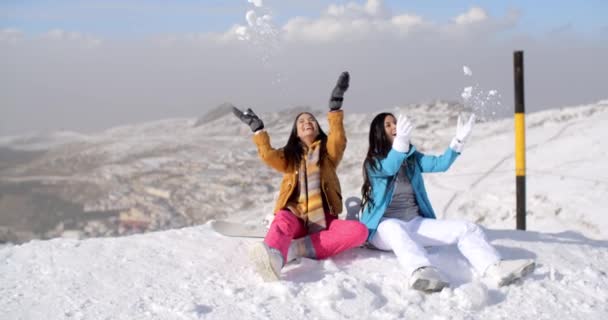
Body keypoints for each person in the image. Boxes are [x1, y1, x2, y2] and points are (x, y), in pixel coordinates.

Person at [359, 112, 535, 292]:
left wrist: (458, 141)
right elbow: (390, 167)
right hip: (383, 229)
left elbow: (440, 164)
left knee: (467, 228)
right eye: (388, 125)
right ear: (379, 132)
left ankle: (494, 267)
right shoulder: (373, 163)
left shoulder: (411, 158)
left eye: (395, 122)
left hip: (414, 223)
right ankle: (421, 271)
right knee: (395, 229)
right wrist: (401, 142)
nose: (394, 126)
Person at [232, 72, 368, 281]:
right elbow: (268, 155)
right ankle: (275, 258)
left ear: (318, 127)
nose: (307, 122)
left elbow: (338, 139)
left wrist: (335, 107)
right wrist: (258, 130)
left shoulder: (328, 154)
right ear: (295, 132)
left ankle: (293, 249)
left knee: (358, 232)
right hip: (295, 216)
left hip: (324, 220)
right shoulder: (289, 158)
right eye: (302, 121)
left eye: (311, 119)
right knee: (283, 218)